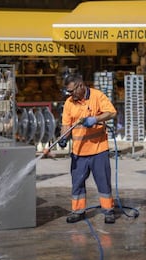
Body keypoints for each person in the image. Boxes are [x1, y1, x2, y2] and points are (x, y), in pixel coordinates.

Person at [59, 74, 117, 224]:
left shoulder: (97, 96)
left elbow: (112, 112)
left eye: (72, 91)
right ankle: (78, 211)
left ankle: (109, 211)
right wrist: (63, 137)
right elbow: (66, 124)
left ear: (80, 86)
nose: (70, 95)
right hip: (78, 152)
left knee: (103, 182)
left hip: (99, 150)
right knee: (77, 183)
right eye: (68, 92)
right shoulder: (69, 103)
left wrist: (95, 119)